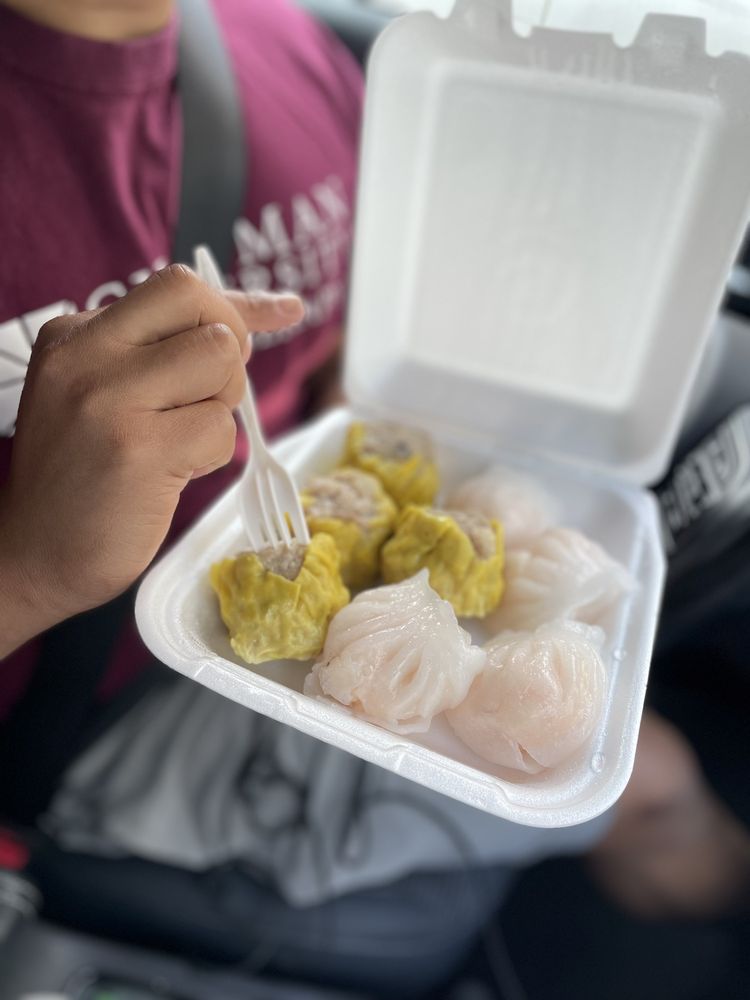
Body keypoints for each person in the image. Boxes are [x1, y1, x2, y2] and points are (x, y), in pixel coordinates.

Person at [1, 2, 748, 996]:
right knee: (653, 786)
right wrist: (29, 567)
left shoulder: (290, 42)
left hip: (307, 530)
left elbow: (342, 340)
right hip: (105, 701)